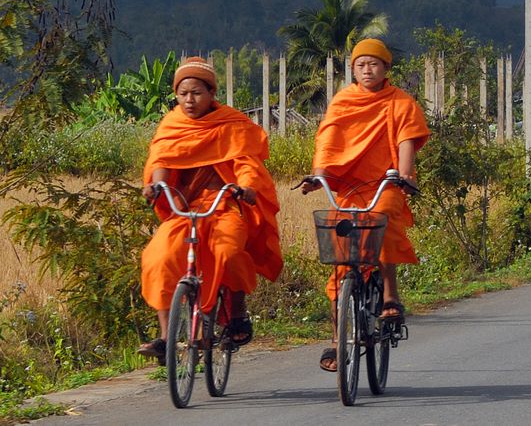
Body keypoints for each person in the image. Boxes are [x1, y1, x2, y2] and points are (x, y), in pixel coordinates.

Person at [137, 56, 283, 363]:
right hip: (185, 209)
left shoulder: (231, 125)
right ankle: (165, 338)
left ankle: (238, 312)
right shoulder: (172, 125)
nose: (189, 100)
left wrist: (246, 187)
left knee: (229, 252)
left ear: (212, 93)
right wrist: (155, 185)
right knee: (158, 257)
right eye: (183, 93)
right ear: (176, 95)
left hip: (224, 206)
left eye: (197, 93)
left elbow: (247, 163)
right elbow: (161, 161)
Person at [301, 38, 429, 372]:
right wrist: (318, 176)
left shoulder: (400, 102)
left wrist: (403, 175)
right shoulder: (344, 101)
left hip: (384, 183)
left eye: (374, 64)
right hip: (347, 187)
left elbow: (406, 140)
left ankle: (390, 294)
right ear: (353, 70)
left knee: (381, 219)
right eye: (361, 65)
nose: (367, 69)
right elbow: (327, 141)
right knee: (339, 249)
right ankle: (335, 338)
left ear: (386, 68)